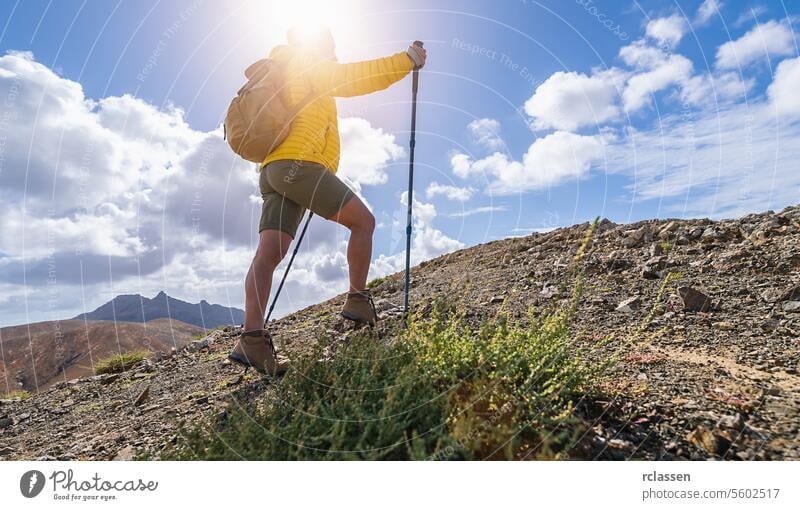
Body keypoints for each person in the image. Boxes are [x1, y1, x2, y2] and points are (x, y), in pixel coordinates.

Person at [228, 26, 427, 375]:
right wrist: (406, 61)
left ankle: (252, 339)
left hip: (274, 170)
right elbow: (358, 77)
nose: (333, 54)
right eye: (330, 48)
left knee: (269, 252)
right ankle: (357, 300)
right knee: (363, 222)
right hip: (299, 166)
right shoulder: (308, 66)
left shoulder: (287, 70)